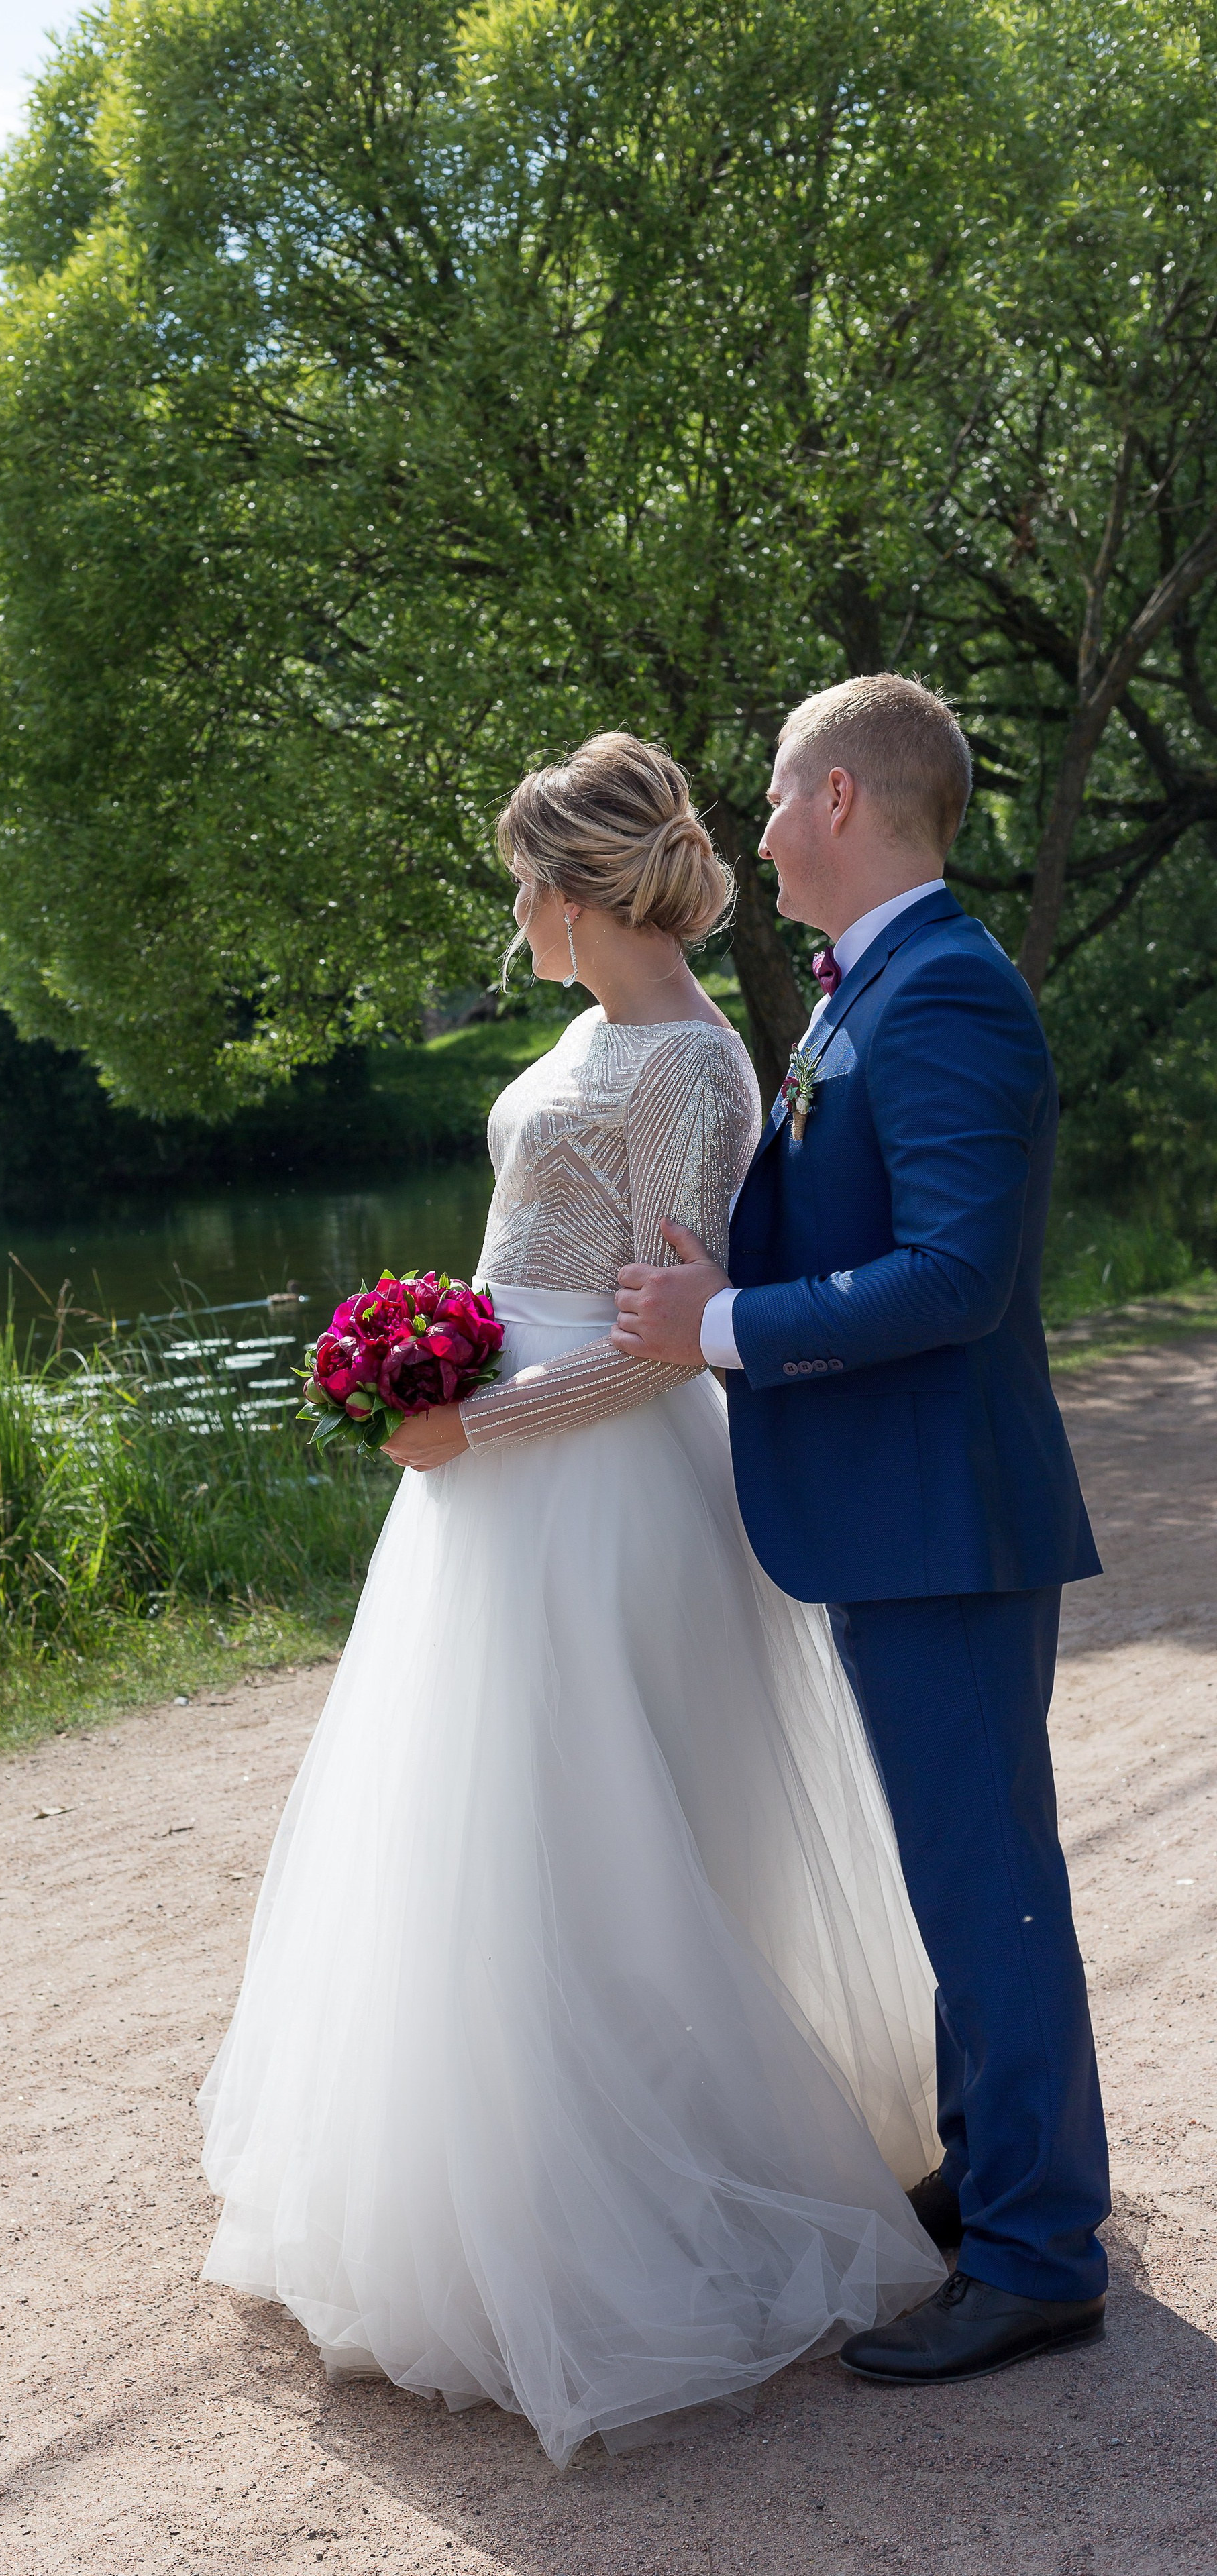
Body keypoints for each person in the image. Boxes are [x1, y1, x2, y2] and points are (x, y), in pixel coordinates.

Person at [198, 733, 949, 2467]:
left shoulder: (691, 1062)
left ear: (577, 883)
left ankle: (652, 2206)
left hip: (595, 1483)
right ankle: (491, 2185)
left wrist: (480, 1422)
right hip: (487, 1483)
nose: (513, 908)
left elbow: (661, 1338)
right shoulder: (586, 1034)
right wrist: (423, 1357)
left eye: (522, 876)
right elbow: (525, 1255)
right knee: (477, 1841)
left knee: (600, 1833)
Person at [611, 675, 1110, 2385]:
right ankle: (989, 2183)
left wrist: (719, 1329)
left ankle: (1041, 2249)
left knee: (987, 1889)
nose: (748, 831)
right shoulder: (865, 989)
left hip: (941, 1521)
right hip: (896, 1517)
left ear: (837, 798)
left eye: (765, 796)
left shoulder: (946, 990)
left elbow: (959, 1279)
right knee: (955, 1877)